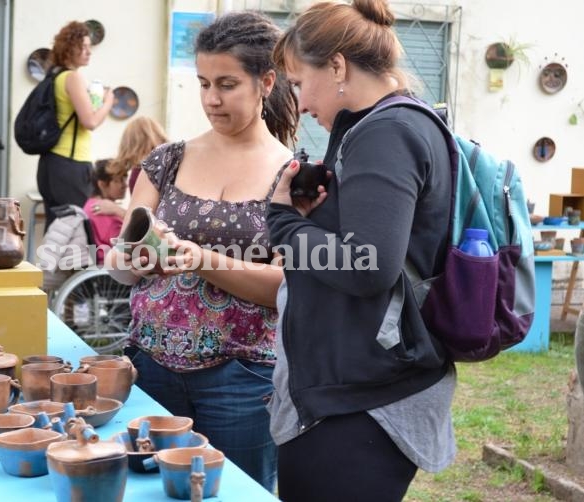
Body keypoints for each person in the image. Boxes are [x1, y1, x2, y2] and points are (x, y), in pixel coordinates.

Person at [265, 1, 456, 500]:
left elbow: (366, 265)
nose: (300, 103)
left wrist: (283, 225)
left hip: (363, 401)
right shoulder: (379, 125)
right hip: (356, 388)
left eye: (299, 82)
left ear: (337, 66)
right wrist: (316, 215)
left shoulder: (387, 132)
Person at [105, 11, 298, 491]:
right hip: (150, 365)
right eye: (204, 83)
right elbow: (120, 261)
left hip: (243, 377)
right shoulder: (167, 160)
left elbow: (286, 286)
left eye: (228, 84)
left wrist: (201, 259)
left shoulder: (293, 175)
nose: (212, 99)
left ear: (266, 81)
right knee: (149, 491)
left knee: (238, 492)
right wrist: (134, 259)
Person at [37, 20, 114, 232]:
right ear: (70, 48)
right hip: (70, 165)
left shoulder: (55, 76)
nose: (89, 52)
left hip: (50, 164)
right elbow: (90, 121)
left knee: (56, 228)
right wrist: (108, 101)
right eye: (84, 47)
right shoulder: (73, 78)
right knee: (77, 229)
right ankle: (72, 267)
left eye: (90, 47)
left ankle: (49, 266)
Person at [83, 158, 127, 263]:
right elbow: (129, 243)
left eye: (125, 179)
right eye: (118, 180)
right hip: (114, 269)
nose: (125, 185)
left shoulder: (91, 204)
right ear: (102, 184)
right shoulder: (101, 210)